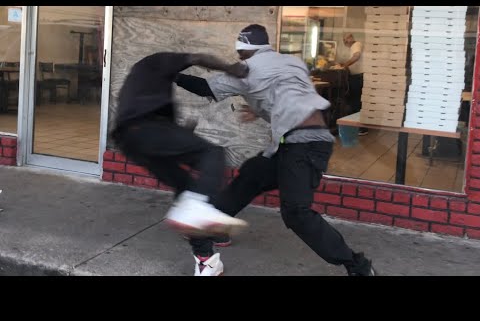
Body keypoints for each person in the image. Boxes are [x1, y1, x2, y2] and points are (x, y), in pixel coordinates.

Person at [181, 24, 377, 276]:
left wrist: (169, 74)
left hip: (304, 146)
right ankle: (211, 230)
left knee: (296, 212)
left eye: (239, 54)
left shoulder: (247, 69)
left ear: (242, 51)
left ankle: (358, 267)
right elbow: (288, 94)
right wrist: (260, 107)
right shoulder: (291, 62)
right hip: (295, 142)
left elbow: (204, 88)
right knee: (252, 175)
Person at [111, 52, 249, 238]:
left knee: (187, 186)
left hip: (131, 143)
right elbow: (198, 58)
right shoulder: (157, 61)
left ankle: (197, 238)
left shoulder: (143, 85)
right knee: (211, 153)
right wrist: (229, 68)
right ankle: (195, 211)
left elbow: (165, 139)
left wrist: (183, 133)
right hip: (145, 129)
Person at [341, 33, 368, 136]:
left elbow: (356, 56)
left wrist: (345, 65)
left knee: (356, 102)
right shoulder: (354, 46)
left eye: (346, 39)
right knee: (356, 102)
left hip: (358, 77)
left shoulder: (356, 45)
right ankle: (359, 127)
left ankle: (361, 128)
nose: (346, 42)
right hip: (357, 77)